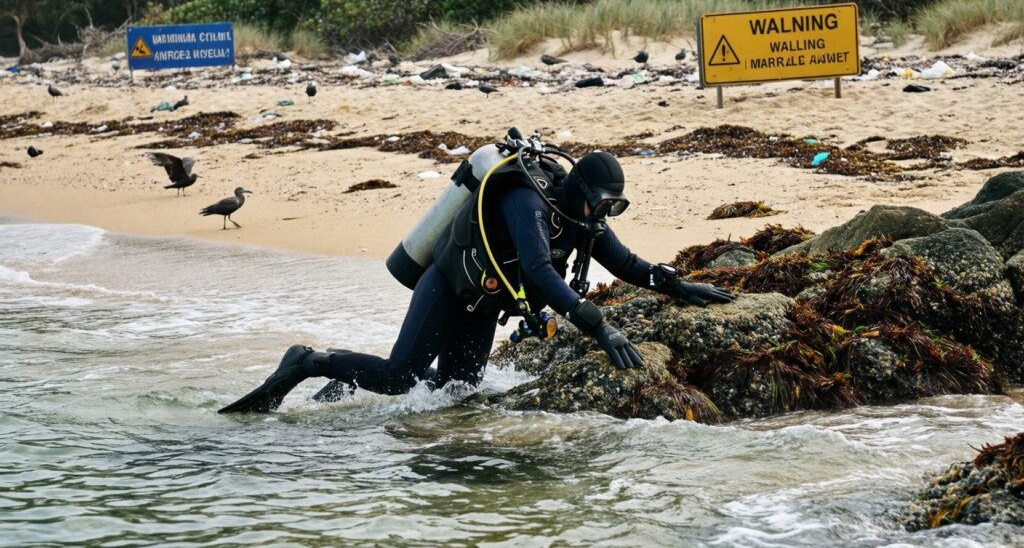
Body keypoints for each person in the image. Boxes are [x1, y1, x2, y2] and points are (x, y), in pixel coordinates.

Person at [219, 140, 735, 414]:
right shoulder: (526, 201)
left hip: (485, 302)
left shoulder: (581, 217)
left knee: (456, 393)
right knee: (402, 378)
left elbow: (624, 262)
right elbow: (536, 270)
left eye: (614, 207)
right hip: (448, 284)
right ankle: (310, 362)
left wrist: (677, 284)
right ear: (578, 188)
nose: (605, 215)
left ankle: (346, 385)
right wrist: (600, 326)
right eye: (602, 202)